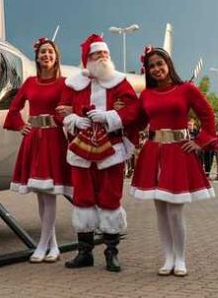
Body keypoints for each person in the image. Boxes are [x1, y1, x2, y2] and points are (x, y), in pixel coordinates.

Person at [129, 46, 217, 277]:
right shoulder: (146, 95)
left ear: (168, 64)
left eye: (160, 63)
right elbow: (135, 120)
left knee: (175, 211)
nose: (156, 69)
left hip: (178, 153)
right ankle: (167, 257)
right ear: (147, 71)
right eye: (151, 66)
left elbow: (208, 115)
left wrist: (201, 141)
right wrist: (114, 113)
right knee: (160, 210)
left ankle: (180, 258)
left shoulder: (187, 89)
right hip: (153, 153)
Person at [58, 34, 139, 272]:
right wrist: (73, 119)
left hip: (111, 151)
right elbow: (59, 112)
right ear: (87, 59)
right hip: (81, 151)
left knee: (110, 199)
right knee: (82, 199)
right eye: (97, 54)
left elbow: (135, 111)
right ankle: (85, 253)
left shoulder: (120, 82)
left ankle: (111, 253)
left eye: (105, 54)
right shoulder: (73, 84)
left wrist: (111, 117)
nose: (103, 57)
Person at [3, 37, 70, 263]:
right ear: (37, 57)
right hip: (34, 140)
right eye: (43, 52)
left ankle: (43, 245)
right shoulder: (30, 82)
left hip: (53, 140)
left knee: (49, 194)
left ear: (56, 56)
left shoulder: (64, 84)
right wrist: (21, 126)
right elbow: (14, 108)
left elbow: (69, 110)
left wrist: (68, 113)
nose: (46, 55)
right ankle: (52, 245)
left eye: (50, 52)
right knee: (41, 196)